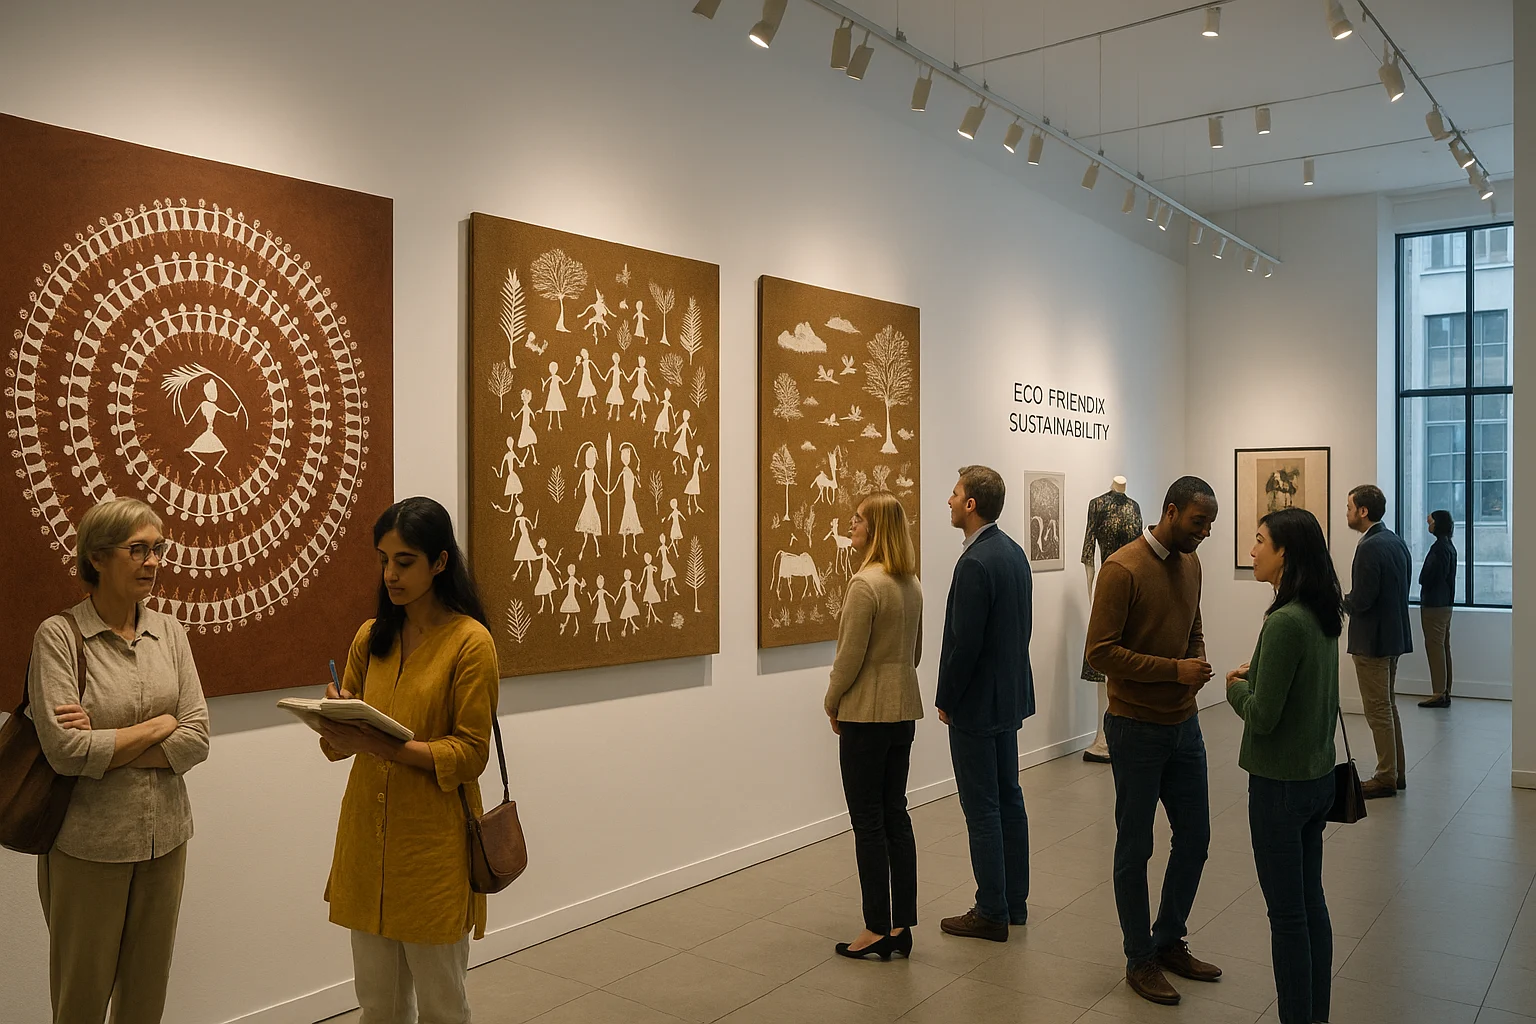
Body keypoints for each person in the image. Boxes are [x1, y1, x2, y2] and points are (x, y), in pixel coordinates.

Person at [27, 497, 211, 1024]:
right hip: (90, 846)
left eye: (158, 549)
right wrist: (157, 726)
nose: (153, 561)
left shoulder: (170, 632)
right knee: (80, 998)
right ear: (99, 557)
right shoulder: (59, 637)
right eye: (138, 549)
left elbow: (197, 737)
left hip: (166, 838)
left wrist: (106, 744)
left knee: (145, 999)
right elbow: (65, 752)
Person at [318, 497, 500, 1024]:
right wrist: (332, 721)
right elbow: (337, 748)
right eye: (383, 559)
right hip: (367, 841)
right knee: (378, 1003)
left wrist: (382, 745)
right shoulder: (370, 636)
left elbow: (470, 754)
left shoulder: (470, 643)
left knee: (442, 1005)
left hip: (433, 848)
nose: (390, 574)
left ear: (439, 563)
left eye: (405, 561)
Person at [1085, 475, 1221, 1006]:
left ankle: (1168, 939)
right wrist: (1174, 670)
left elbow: (1194, 624)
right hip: (1136, 725)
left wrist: (1196, 661)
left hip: (1184, 724)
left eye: (1209, 523)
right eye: (1197, 522)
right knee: (1134, 845)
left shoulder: (1191, 562)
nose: (1205, 532)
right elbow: (1100, 653)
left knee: (1196, 837)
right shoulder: (1122, 568)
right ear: (1169, 511)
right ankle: (1139, 957)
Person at [1225, 508, 1342, 1024]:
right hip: (1317, 779)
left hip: (1280, 787)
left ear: (1284, 554)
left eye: (1258, 541)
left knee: (1287, 915)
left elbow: (1263, 716)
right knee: (1310, 903)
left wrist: (1235, 686)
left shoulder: (1285, 621)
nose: (1251, 551)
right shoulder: (1322, 613)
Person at [823, 491, 925, 962]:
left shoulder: (866, 584)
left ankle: (875, 928)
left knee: (867, 820)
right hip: (902, 710)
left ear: (876, 529)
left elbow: (849, 658)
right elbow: (916, 653)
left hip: (866, 713)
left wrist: (831, 699)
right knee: (895, 814)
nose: (852, 525)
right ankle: (901, 924)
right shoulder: (911, 583)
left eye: (858, 519)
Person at [935, 465, 1034, 943]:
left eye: (955, 495)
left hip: (977, 704)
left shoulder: (975, 563)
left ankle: (991, 909)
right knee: (1009, 799)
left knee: (983, 807)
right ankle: (1014, 902)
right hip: (1008, 697)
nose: (949, 501)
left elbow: (963, 644)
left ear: (971, 504)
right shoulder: (1013, 553)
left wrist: (946, 698)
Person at [1343, 484, 1412, 798]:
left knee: (1378, 710)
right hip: (1392, 637)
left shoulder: (1370, 546)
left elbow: (1363, 599)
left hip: (1372, 641)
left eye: (1349, 508)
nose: (1347, 513)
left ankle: (1386, 776)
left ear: (1363, 511)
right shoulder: (1394, 540)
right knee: (1388, 707)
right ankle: (1396, 772)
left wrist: (1338, 601)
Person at [1417, 509, 1457, 709]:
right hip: (1446, 604)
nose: (1428, 525)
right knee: (1443, 647)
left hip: (1434, 605)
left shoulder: (1439, 548)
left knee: (1435, 648)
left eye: (1431, 521)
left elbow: (1427, 576)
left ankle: (1438, 693)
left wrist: (1422, 579)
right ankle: (1445, 690)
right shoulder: (1449, 546)